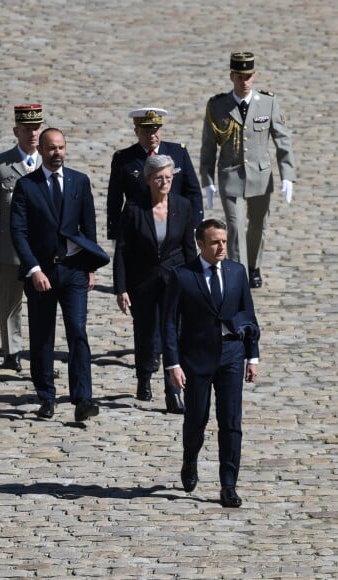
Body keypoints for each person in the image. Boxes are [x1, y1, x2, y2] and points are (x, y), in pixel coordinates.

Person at [10, 128, 109, 422]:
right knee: (42, 336)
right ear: (40, 150)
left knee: (78, 332)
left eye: (61, 147)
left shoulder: (80, 181)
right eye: (51, 148)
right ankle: (46, 396)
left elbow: (88, 228)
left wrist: (90, 266)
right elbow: (19, 232)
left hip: (74, 269)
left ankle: (83, 398)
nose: (57, 153)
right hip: (42, 272)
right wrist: (34, 269)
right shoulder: (27, 186)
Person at [163, 218, 260, 508]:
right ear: (201, 244)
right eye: (215, 242)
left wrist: (252, 355)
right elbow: (168, 324)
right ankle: (190, 458)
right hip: (196, 358)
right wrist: (173, 364)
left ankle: (228, 485)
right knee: (197, 419)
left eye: (224, 241)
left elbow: (248, 315)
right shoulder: (182, 276)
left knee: (231, 423)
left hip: (232, 354)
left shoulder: (236, 272)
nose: (221, 247)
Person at [200, 51, 296, 288]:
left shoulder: (268, 102)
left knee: (257, 225)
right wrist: (207, 179)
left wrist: (288, 176)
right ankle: (238, 270)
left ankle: (253, 266)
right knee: (234, 225)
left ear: (254, 77)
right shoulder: (218, 106)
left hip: (260, 176)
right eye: (240, 76)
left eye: (249, 76)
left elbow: (282, 140)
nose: (245, 82)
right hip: (230, 173)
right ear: (232, 76)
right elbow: (209, 145)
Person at [114, 155, 197, 413]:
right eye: (159, 178)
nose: (164, 182)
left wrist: (196, 282)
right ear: (149, 179)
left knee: (174, 333)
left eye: (169, 178)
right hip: (143, 281)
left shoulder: (182, 206)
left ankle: (174, 393)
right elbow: (122, 251)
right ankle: (144, 377)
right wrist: (121, 287)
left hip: (175, 280)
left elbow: (188, 249)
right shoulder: (134, 208)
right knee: (146, 333)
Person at [0, 104, 43, 372]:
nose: (32, 134)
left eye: (36, 128)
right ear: (16, 131)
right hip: (9, 246)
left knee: (42, 302)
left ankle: (41, 349)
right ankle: (12, 351)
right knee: (9, 301)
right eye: (27, 129)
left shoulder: (47, 162)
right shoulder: (0, 165)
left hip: (42, 246)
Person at [107, 106, 203, 241]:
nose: (152, 136)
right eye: (146, 131)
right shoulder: (124, 159)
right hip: (139, 224)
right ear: (136, 131)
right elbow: (114, 198)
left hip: (175, 221)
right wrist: (115, 233)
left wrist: (196, 225)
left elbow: (192, 191)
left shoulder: (178, 152)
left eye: (155, 130)